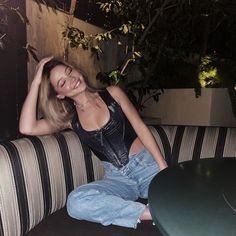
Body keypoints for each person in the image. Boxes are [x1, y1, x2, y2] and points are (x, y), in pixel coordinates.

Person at [19, 56, 168, 229]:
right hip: (118, 179)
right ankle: (148, 212)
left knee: (184, 200)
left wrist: (163, 168)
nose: (72, 79)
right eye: (63, 82)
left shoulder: (113, 93)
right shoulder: (70, 119)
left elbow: (141, 128)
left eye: (69, 71)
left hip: (147, 167)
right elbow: (27, 128)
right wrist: (36, 82)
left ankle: (160, 206)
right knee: (75, 202)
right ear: (60, 95)